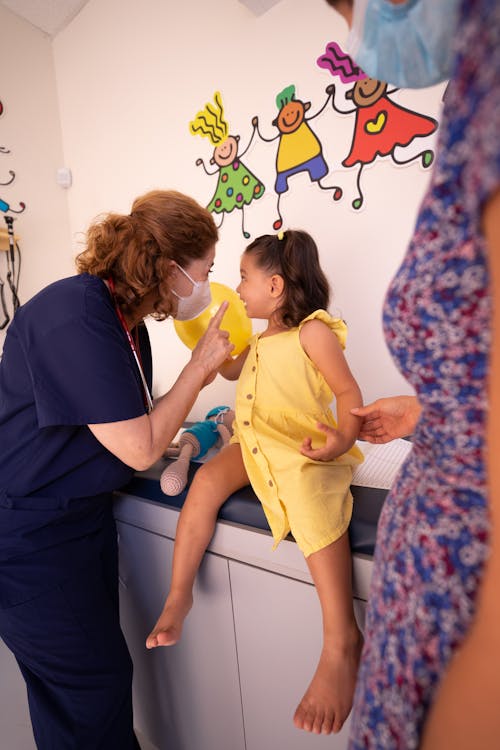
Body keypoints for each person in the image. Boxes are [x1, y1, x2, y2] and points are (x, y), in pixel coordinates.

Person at [0, 189, 234, 749]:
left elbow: (130, 422)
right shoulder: (76, 314)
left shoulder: (126, 326)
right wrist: (200, 367)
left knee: (79, 697)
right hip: (32, 539)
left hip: (78, 527)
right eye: (208, 269)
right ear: (171, 268)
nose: (209, 283)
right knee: (92, 691)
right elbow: (139, 447)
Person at [325, 1, 500, 748]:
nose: (352, 23)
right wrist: (432, 413)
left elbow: (340, 398)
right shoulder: (475, 83)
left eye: (346, 2)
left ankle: (338, 641)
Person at [146, 229, 365, 735]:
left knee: (312, 501)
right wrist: (209, 346)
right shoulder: (260, 339)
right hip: (252, 445)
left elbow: (348, 390)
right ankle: (180, 594)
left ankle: (341, 640)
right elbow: (230, 372)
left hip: (303, 448)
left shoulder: (314, 333)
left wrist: (339, 440)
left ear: (276, 287)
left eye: (244, 278)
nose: (236, 287)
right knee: (202, 486)